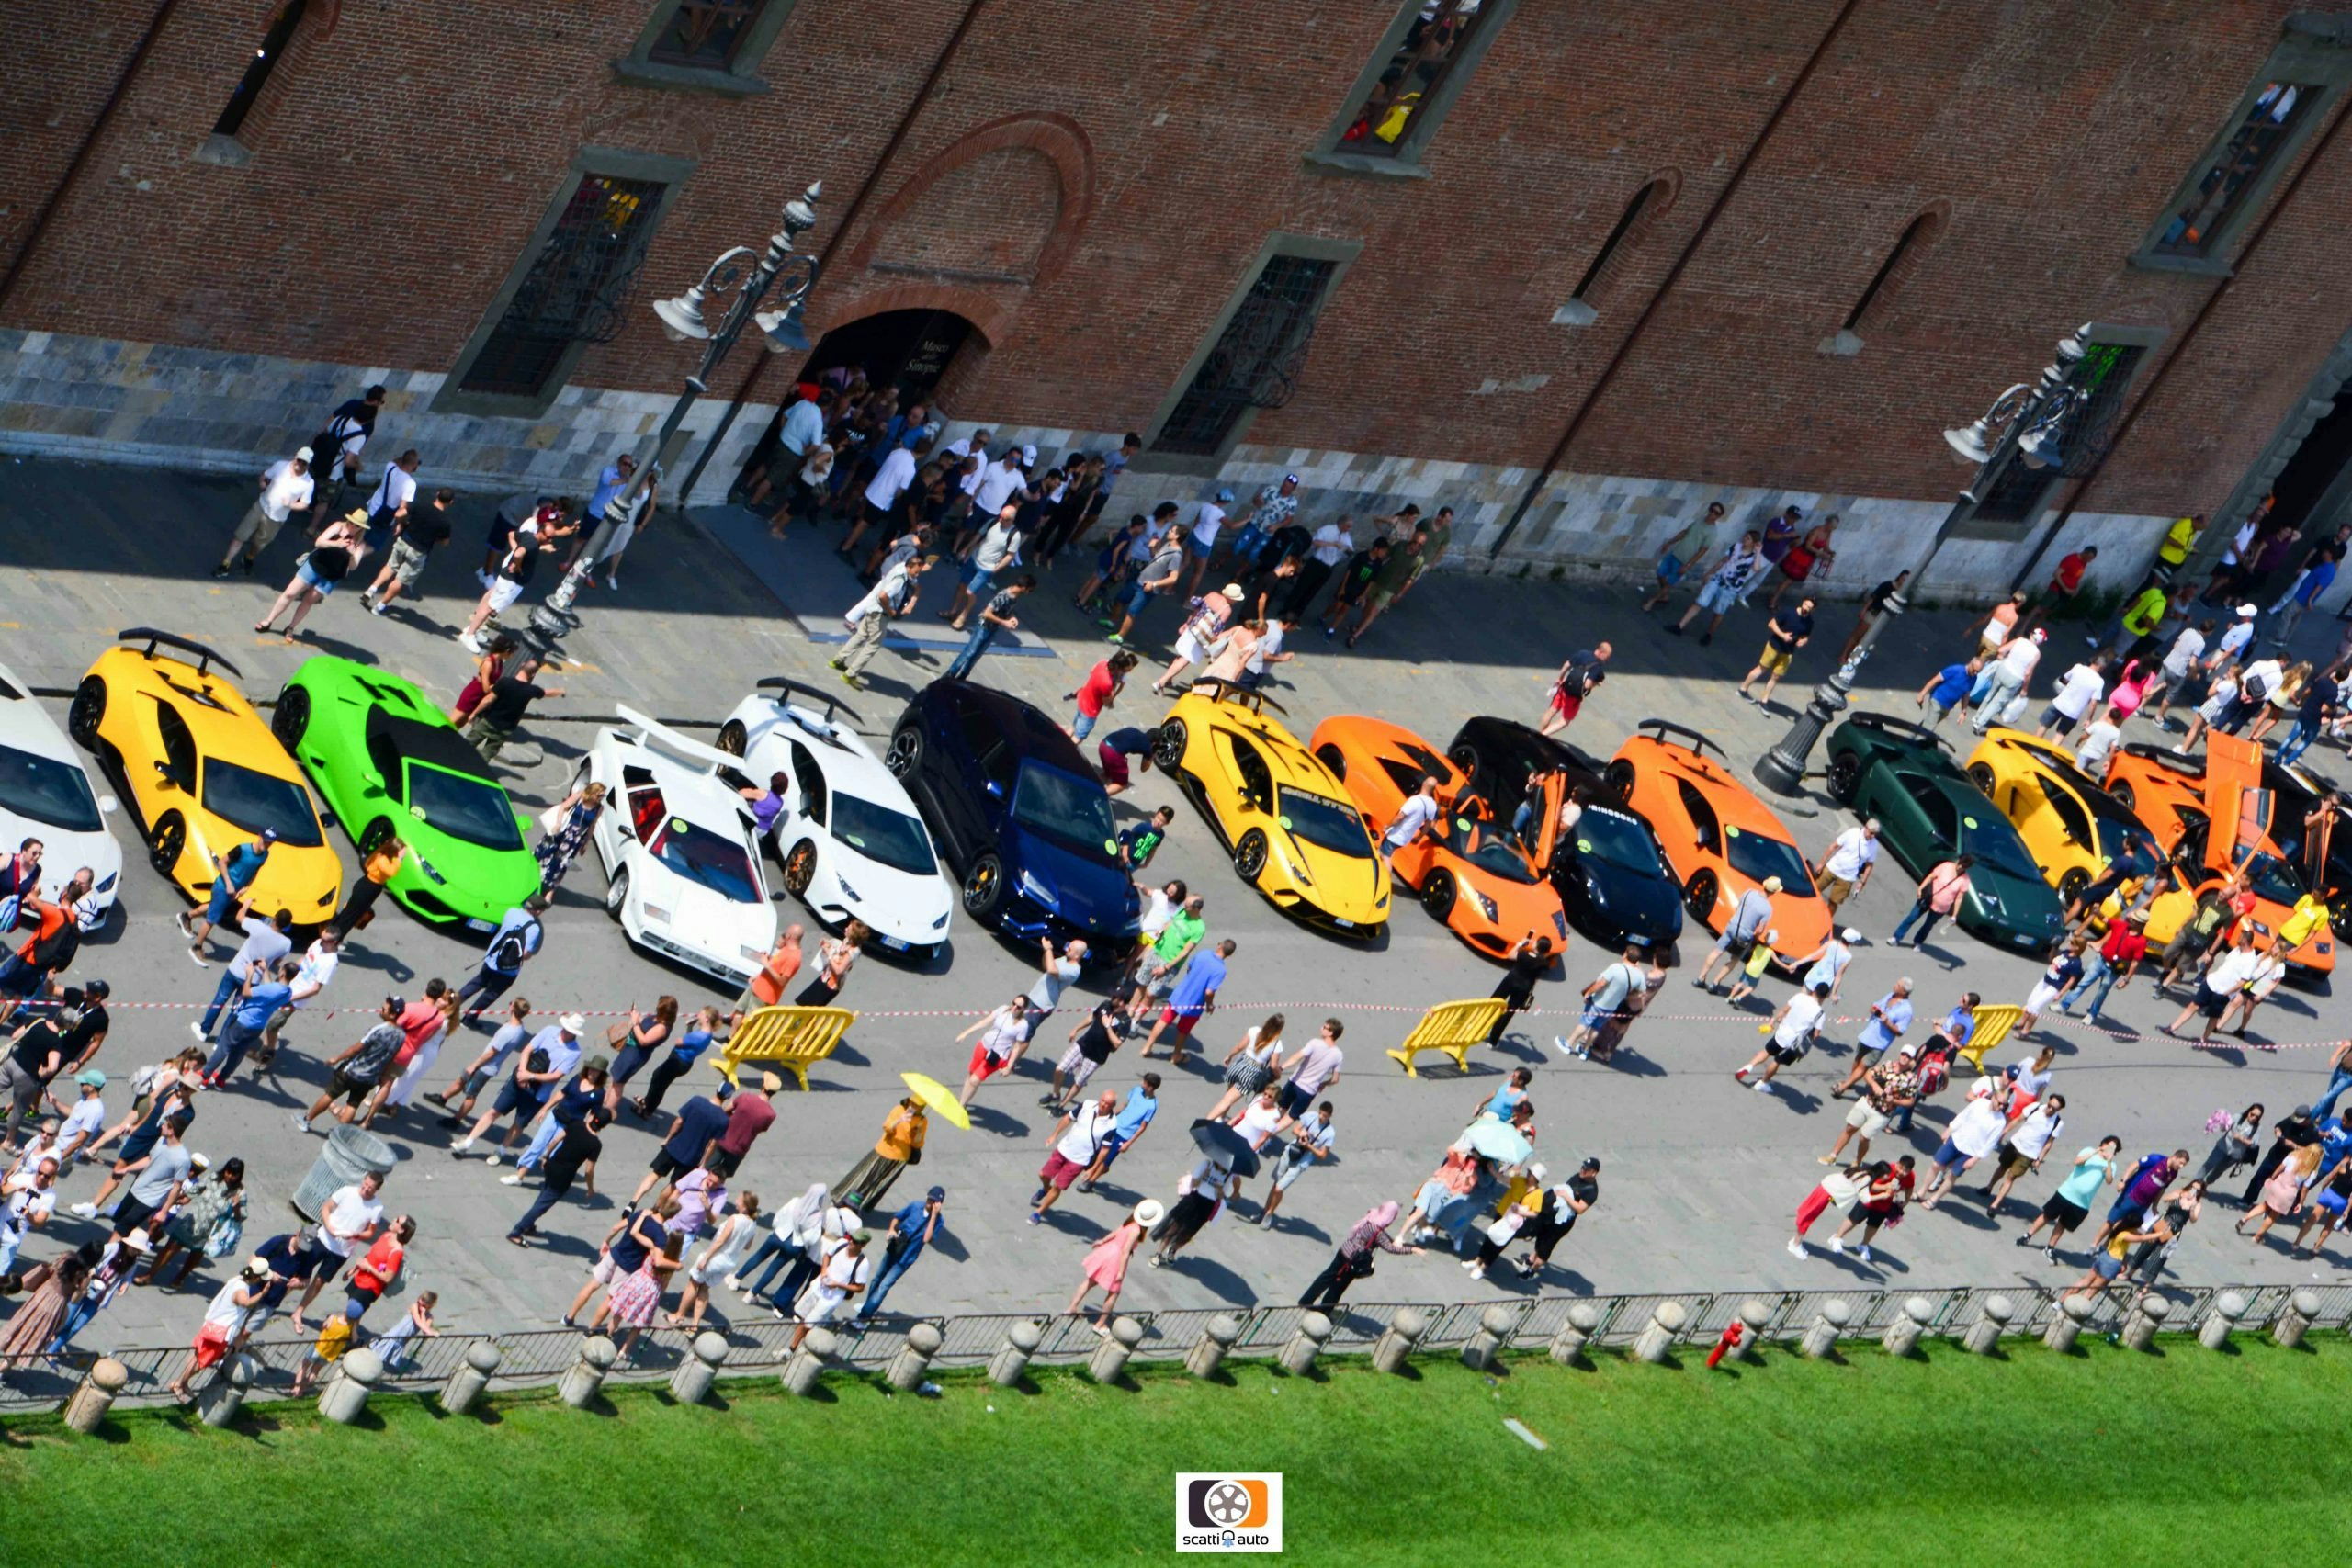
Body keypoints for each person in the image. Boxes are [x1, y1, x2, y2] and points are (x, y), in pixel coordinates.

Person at [164, 1256, 275, 1403]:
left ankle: (183, 1383)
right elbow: (245, 1302)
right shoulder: (242, 1290)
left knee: (197, 1357)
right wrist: (262, 1294)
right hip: (219, 1332)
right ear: (256, 1277)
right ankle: (178, 1384)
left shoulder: (236, 1280)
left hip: (212, 1324)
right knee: (202, 1361)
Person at [289, 1168, 386, 1330]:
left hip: (341, 1251)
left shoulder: (377, 1207)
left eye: (370, 1188)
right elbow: (326, 1207)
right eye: (365, 1184)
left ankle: (299, 1312)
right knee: (299, 1273)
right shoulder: (347, 1191)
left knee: (319, 1282)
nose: (366, 1189)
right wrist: (328, 1226)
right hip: (323, 1238)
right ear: (364, 1180)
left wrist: (356, 1235)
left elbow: (370, 1231)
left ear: (377, 1189)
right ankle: (277, 1299)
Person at [252, 510, 367, 638]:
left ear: (361, 528)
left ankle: (291, 627)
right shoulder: (338, 527)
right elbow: (319, 542)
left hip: (330, 577)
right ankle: (268, 620)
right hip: (315, 565)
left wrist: (351, 554)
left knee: (308, 601)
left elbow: (353, 567)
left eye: (357, 525)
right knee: (290, 593)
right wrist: (336, 543)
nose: (352, 526)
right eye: (351, 522)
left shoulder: (360, 544)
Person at [504, 1105, 608, 1246]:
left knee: (543, 1196)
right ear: (604, 1126)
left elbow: (555, 1140)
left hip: (552, 1166)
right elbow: (589, 1171)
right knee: (543, 1205)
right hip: (563, 1178)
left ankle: (528, 1225)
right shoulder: (595, 1144)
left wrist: (546, 1156)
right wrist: (590, 1188)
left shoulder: (577, 1124)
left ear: (592, 1117)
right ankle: (516, 1232)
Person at [214, 446, 316, 578]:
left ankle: (249, 557)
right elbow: (265, 475)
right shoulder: (281, 466)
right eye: (299, 460)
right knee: (240, 536)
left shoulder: (308, 483)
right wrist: (262, 482)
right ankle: (225, 564)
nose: (300, 464)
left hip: (276, 518)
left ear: (308, 465)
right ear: (295, 457)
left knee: (259, 544)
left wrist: (290, 505)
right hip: (261, 506)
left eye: (304, 463)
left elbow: (304, 504)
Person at [178, 829, 275, 962]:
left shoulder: (265, 855)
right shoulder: (242, 849)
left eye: (270, 843)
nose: (267, 844)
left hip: (235, 890)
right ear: (259, 836)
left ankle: (186, 916)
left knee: (214, 907)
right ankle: (196, 947)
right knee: (211, 920)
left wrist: (246, 887)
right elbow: (222, 862)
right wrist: (229, 884)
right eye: (265, 841)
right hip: (223, 887)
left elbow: (255, 871)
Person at [2018, 1136, 2120, 1260]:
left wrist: (2108, 1162)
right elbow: (2077, 1162)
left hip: (2082, 1203)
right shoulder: (2089, 1151)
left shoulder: (2112, 1165)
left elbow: (2109, 1180)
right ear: (2103, 1144)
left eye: (2113, 1148)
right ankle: (2028, 1235)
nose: (2109, 1149)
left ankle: (2050, 1247)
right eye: (2108, 1145)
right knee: (2047, 1215)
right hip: (2066, 1193)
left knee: (2063, 1223)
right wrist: (2095, 1152)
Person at [359, 486, 456, 615]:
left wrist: (402, 523)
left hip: (404, 541)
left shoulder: (421, 505)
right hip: (419, 552)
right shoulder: (445, 522)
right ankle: (379, 606)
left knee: (390, 566)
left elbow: (399, 514)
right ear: (451, 502)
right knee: (401, 580)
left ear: (437, 494)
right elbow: (445, 543)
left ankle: (371, 590)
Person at [1067, 1200, 1160, 1333]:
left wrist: (1102, 1241)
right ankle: (1100, 1324)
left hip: (1107, 1250)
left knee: (1090, 1281)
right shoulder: (1137, 1230)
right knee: (1114, 1292)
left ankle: (1071, 1307)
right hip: (1115, 1258)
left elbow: (1115, 1232)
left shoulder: (1130, 1222)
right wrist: (1121, 1272)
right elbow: (1125, 1251)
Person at [1140, 937, 1234, 1067]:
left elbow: (1189, 968)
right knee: (1184, 1030)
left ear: (1220, 946)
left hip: (1180, 994)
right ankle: (1176, 1055)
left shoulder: (1204, 953)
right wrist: (1209, 1005)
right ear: (1229, 954)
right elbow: (1209, 992)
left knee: (1163, 1020)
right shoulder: (1220, 970)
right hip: (1194, 1004)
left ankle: (1147, 1047)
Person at [1032, 1089, 1121, 1223]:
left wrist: (1092, 1169)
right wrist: (1054, 1135)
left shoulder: (1111, 1124)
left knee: (1058, 1186)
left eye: (1107, 1103)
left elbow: (1104, 1149)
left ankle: (1038, 1212)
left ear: (1112, 1106)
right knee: (1043, 1175)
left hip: (1080, 1160)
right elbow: (1068, 1118)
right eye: (1102, 1100)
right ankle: (1045, 1188)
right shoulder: (1087, 1105)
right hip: (1064, 1148)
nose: (1103, 1104)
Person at [456, 895, 549, 1021]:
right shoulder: (534, 928)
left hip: (492, 957)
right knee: (491, 994)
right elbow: (525, 954)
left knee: (477, 982)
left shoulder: (511, 912)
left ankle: (451, 1006)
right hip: (507, 969)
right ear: (538, 911)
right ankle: (468, 1019)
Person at [458, 654, 565, 762]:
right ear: (533, 674)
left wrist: (474, 713)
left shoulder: (505, 682)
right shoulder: (531, 690)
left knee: (467, 744)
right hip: (505, 729)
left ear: (522, 665)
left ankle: (455, 762)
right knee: (487, 754)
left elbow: (488, 700)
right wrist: (561, 691)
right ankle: (476, 769)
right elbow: (547, 693)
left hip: (489, 721)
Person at [858, 1185, 944, 1319]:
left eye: (934, 1202)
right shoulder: (915, 1206)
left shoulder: (938, 1220)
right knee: (877, 1279)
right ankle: (868, 1305)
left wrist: (933, 1216)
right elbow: (897, 1217)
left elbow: (926, 1239)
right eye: (930, 1199)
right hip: (894, 1248)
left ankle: (864, 1316)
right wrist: (892, 1229)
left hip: (905, 1259)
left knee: (884, 1285)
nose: (930, 1203)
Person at [1668, 529, 1765, 645]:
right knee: (1699, 602)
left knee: (1719, 611)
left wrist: (1758, 552)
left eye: (1748, 538)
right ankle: (1680, 626)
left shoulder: (1754, 557)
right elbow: (1723, 561)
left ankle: (1709, 634)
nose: (1745, 539)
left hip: (1731, 587)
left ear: (1754, 542)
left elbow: (1756, 569)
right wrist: (1710, 572)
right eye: (1745, 536)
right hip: (1718, 579)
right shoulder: (1736, 547)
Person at [1735, 981, 1828, 1095]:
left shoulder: (1799, 997)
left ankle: (1748, 1066)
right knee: (1777, 1061)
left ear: (1813, 990)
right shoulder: (1820, 1014)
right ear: (1824, 997)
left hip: (1782, 1033)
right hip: (1794, 1043)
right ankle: (1762, 1083)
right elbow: (1816, 1034)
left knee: (1766, 1051)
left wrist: (1772, 1022)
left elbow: (1784, 1010)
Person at [1557, 946, 1648, 1059]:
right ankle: (1585, 1051)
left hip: (1598, 1002)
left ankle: (1568, 1044)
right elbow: (1642, 993)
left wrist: (1588, 993)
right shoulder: (1639, 975)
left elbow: (1601, 984)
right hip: (1611, 1007)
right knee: (1596, 1028)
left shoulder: (1616, 968)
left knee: (1585, 1023)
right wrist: (1626, 995)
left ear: (1625, 955)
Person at [839, 1096, 927, 1212]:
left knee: (877, 1185)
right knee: (863, 1178)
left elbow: (917, 1145)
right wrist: (900, 1120)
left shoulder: (922, 1121)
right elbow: (887, 1127)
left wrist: (917, 1134)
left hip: (899, 1159)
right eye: (913, 1103)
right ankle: (843, 1200)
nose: (914, 1107)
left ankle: (858, 1206)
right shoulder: (899, 1110)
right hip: (883, 1152)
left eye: (918, 1106)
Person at [1693, 876, 1779, 991]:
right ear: (1774, 892)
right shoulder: (1767, 909)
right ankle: (1715, 983)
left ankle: (1700, 978)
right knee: (1734, 959)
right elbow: (1760, 930)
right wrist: (1755, 939)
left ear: (1764, 885)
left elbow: (1737, 907)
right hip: (1745, 935)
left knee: (1716, 952)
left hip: (1732, 926)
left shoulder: (1749, 893)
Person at [1079, 1075, 1163, 1190]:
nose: (1141, 1083)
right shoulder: (1136, 1090)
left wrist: (1128, 1143)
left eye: (1144, 1082)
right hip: (1114, 1126)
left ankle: (1090, 1182)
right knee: (1098, 1151)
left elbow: (1143, 1126)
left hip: (1124, 1135)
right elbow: (1125, 1105)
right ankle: (1098, 1170)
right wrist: (1111, 1115)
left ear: (1150, 1087)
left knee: (1106, 1159)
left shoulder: (1152, 1105)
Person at [1641, 503, 1725, 613]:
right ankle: (1664, 595)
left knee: (1670, 583)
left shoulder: (1712, 532)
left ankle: (1652, 600)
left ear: (1719, 516)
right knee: (1660, 573)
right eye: (1712, 510)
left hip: (1685, 561)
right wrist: (1669, 543)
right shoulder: (1699, 520)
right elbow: (1685, 532)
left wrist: (1688, 565)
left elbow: (1702, 551)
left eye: (1716, 513)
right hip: (1675, 553)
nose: (1712, 513)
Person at [1788, 1162, 1880, 1258]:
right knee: (1809, 1216)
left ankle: (1796, 1241)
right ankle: (1795, 1244)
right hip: (1827, 1191)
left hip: (1826, 1187)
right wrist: (1883, 1195)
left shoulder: (1862, 1170)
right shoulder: (1866, 1178)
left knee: (1809, 1214)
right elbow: (1865, 1198)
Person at [326, 832, 405, 942]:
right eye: (402, 852)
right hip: (368, 887)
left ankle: (332, 935)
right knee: (350, 916)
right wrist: (399, 859)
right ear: (395, 850)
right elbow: (391, 872)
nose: (404, 854)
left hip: (370, 887)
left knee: (350, 914)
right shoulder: (383, 859)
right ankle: (333, 939)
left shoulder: (384, 857)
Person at [1738, 596, 1815, 706]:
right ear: (1803, 602)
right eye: (1806, 605)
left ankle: (1764, 701)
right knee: (1762, 668)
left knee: (1776, 676)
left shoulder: (1809, 622)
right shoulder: (1788, 612)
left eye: (1809, 607)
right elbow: (1771, 624)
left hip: (1788, 651)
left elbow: (1806, 636)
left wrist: (1803, 641)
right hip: (1774, 646)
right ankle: (1743, 689)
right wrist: (1783, 635)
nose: (1806, 608)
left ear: (1813, 609)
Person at [956, 996, 1032, 1105]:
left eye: (1018, 1007)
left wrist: (1009, 1067)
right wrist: (965, 1033)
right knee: (971, 1073)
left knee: (974, 1080)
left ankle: (961, 1106)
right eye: (1013, 1003)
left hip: (997, 1056)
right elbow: (985, 1022)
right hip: (983, 1045)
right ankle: (962, 1100)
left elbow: (1017, 1047)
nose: (1014, 1007)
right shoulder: (1003, 1009)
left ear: (1024, 1009)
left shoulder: (1023, 1025)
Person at [533, 783, 607, 889]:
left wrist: (586, 842)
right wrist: (558, 823)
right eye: (600, 795)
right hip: (562, 831)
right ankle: (531, 875)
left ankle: (549, 889)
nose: (602, 798)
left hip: (575, 840)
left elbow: (592, 825)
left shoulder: (599, 808)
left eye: (603, 796)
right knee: (545, 853)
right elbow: (563, 807)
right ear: (593, 793)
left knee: (561, 864)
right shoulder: (579, 797)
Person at [1890, 855, 1973, 949]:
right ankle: (1896, 938)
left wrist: (1954, 915)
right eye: (1959, 864)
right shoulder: (1946, 866)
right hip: (1928, 898)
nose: (1960, 867)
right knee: (1912, 917)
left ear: (1967, 868)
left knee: (1928, 925)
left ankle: (1918, 942)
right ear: (1958, 860)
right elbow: (1931, 876)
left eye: (1963, 867)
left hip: (1941, 908)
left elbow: (1959, 898)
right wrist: (1921, 887)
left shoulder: (1965, 880)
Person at [1973, 628, 2046, 734]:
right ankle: (1979, 723)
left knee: (1991, 693)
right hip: (2015, 678)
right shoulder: (2037, 654)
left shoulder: (2019, 640)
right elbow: (2028, 672)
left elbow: (2002, 650)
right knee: (1998, 702)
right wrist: (2025, 689)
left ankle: (1977, 716)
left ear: (2031, 634)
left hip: (2003, 669)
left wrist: (2003, 658)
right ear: (2040, 642)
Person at [1487, 934, 1554, 1047]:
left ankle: (1477, 1027)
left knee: (1493, 1004)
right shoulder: (1544, 963)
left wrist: (1519, 944)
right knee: (1508, 1013)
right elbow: (1537, 978)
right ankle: (1493, 1041)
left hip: (1510, 981)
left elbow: (1510, 955)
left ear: (1536, 945)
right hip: (1524, 988)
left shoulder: (1523, 954)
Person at [2020, 937, 2086, 1036]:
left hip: (2055, 987)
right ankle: (2022, 1023)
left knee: (2035, 1007)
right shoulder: (2065, 952)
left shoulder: (2076, 963)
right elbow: (2051, 960)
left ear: (2078, 947)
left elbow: (2071, 980)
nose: (2069, 943)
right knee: (2030, 1002)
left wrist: (2060, 994)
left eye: (2072, 943)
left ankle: (2026, 1031)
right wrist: (2054, 948)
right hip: (2046, 980)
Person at [1838, 571, 1908, 662]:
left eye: (1906, 581)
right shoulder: (1887, 585)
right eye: (1903, 579)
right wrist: (1864, 610)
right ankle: (1843, 655)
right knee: (1857, 635)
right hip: (1873, 613)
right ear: (1899, 577)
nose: (1904, 582)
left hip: (1882, 619)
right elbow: (1873, 598)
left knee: (1865, 639)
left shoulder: (1900, 593)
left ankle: (1852, 656)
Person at [1813, 819, 1879, 914]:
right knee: (1813, 890)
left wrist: (1862, 882)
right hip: (1832, 868)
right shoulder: (1852, 833)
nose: (1873, 836)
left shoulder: (1874, 845)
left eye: (1875, 834)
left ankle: (1825, 920)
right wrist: (1821, 863)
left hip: (1847, 878)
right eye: (1871, 833)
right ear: (1866, 827)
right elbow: (1834, 846)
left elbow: (1869, 864)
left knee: (1833, 903)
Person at [794, 922, 866, 1009]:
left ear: (853, 935)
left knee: (810, 1010)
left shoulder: (853, 952)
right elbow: (839, 952)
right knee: (802, 1003)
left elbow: (839, 970)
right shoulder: (847, 941)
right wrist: (829, 945)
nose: (846, 928)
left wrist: (829, 954)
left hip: (830, 985)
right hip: (825, 977)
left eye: (849, 929)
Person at [1543, 646, 1611, 734]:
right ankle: (1543, 734)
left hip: (1564, 686)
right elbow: (1587, 685)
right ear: (1601, 652)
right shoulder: (1597, 668)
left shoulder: (1583, 653)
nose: (1607, 659)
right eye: (1607, 656)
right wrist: (1595, 684)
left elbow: (1567, 664)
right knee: (1564, 721)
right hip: (1573, 696)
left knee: (1552, 710)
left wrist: (1560, 678)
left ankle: (1540, 733)